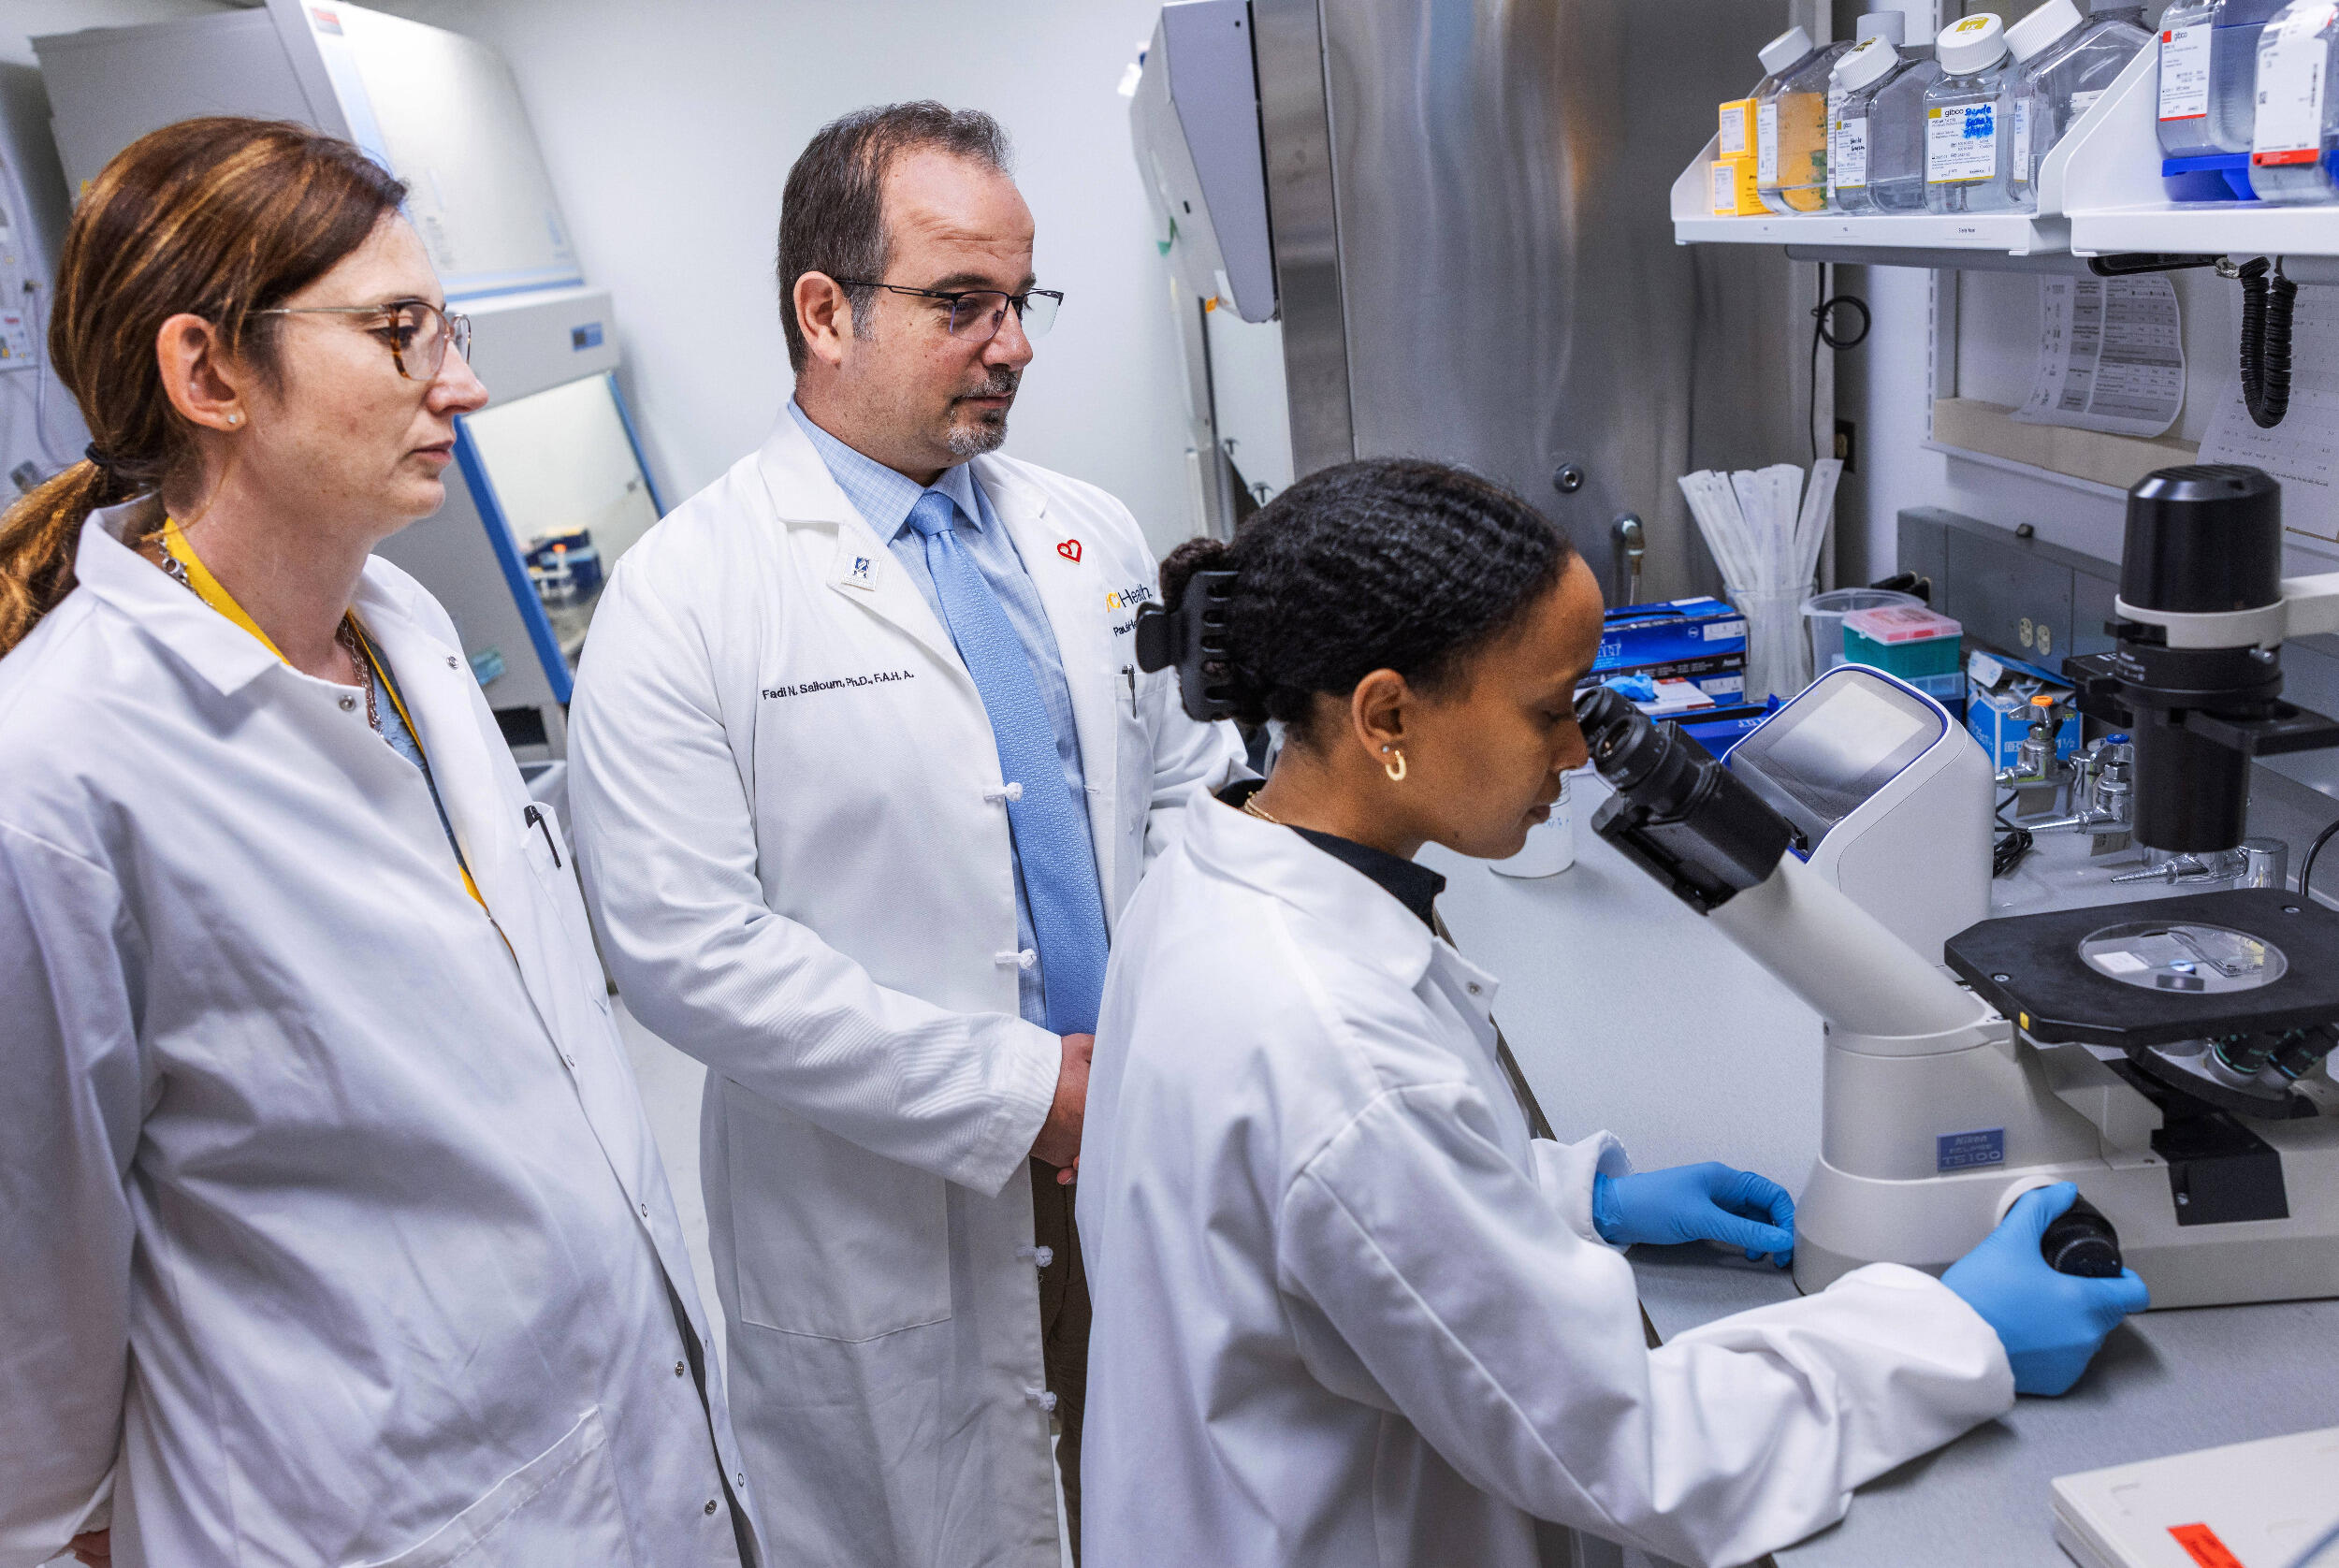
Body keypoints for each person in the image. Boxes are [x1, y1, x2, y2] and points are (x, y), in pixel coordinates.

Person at [1077, 457, 2150, 1568]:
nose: (1582, 749)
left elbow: (1312, 1206)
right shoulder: (1337, 1048)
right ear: (1385, 713)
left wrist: (1573, 1195)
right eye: (1550, 709)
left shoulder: (1210, 874)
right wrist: (1957, 1330)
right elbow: (1631, 1450)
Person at [0, 118, 760, 1568]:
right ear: (207, 371)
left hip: (623, 1454)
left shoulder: (395, 626)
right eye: (400, 331)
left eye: (447, 327)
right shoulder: (55, 781)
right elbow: (29, 1321)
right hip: (369, 1519)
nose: (460, 384)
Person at [566, 102, 1245, 1567]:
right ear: (824, 310)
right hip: (885, 1206)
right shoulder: (688, 595)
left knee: (1156, 1503)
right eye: (960, 304)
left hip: (1136, 1144)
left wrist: (1167, 1035)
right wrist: (1021, 1091)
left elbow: (1188, 785)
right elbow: (685, 951)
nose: (1010, 344)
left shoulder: (1084, 534)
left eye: (1020, 300)